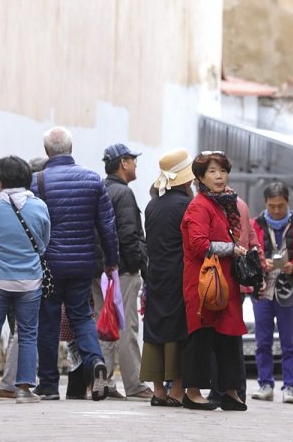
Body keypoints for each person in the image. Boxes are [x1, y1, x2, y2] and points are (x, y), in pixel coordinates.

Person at [31, 126, 119, 401]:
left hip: (50, 265)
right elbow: (107, 226)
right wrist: (111, 262)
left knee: (48, 320)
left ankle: (47, 384)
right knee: (82, 317)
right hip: (83, 263)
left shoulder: (37, 182)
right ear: (71, 148)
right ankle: (95, 362)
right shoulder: (92, 180)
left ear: (47, 151)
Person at [0, 156, 50, 405]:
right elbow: (44, 241)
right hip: (29, 280)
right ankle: (23, 389)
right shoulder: (38, 206)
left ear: (0, 182)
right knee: (27, 333)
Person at [180, 151, 249, 411]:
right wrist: (231, 249)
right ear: (199, 178)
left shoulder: (223, 203)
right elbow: (198, 245)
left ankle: (230, 391)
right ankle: (193, 391)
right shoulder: (198, 206)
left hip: (225, 279)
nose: (219, 176)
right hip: (204, 281)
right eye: (211, 171)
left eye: (222, 170)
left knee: (228, 334)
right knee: (201, 335)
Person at [92, 143, 152, 400]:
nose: (136, 164)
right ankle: (135, 385)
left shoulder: (100, 190)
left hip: (98, 269)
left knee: (103, 325)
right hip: (122, 271)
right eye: (133, 159)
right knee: (127, 327)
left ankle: (103, 383)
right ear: (123, 163)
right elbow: (128, 235)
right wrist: (141, 264)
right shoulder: (123, 194)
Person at [250, 182, 293, 404]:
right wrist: (262, 263)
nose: (276, 210)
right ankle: (265, 384)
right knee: (263, 341)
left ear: (288, 202)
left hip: (290, 289)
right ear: (265, 204)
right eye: (272, 206)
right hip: (262, 289)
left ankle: (289, 387)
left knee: (289, 341)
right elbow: (248, 253)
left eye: (280, 206)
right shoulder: (255, 225)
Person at [142, 148, 195, 407]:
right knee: (177, 329)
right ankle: (176, 389)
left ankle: (157, 390)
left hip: (155, 274)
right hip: (179, 273)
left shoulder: (152, 205)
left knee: (154, 329)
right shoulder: (187, 205)